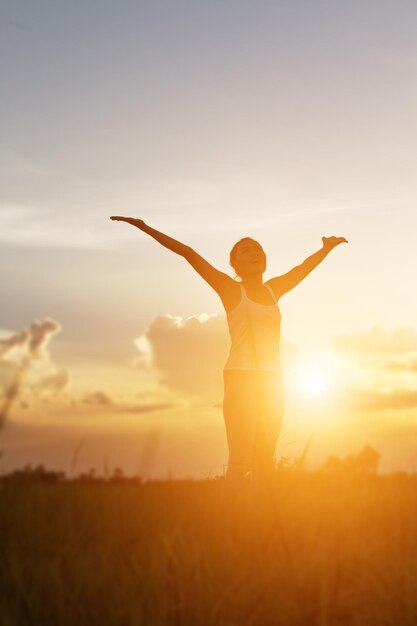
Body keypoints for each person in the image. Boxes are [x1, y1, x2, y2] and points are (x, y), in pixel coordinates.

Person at [110, 216, 347, 507]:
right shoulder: (230, 289)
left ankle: (259, 521)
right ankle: (229, 521)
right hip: (241, 378)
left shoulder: (275, 289)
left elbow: (302, 269)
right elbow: (188, 253)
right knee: (240, 458)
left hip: (274, 380)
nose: (254, 252)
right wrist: (144, 228)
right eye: (245, 250)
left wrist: (325, 249)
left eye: (258, 248)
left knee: (265, 457)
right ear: (234, 264)